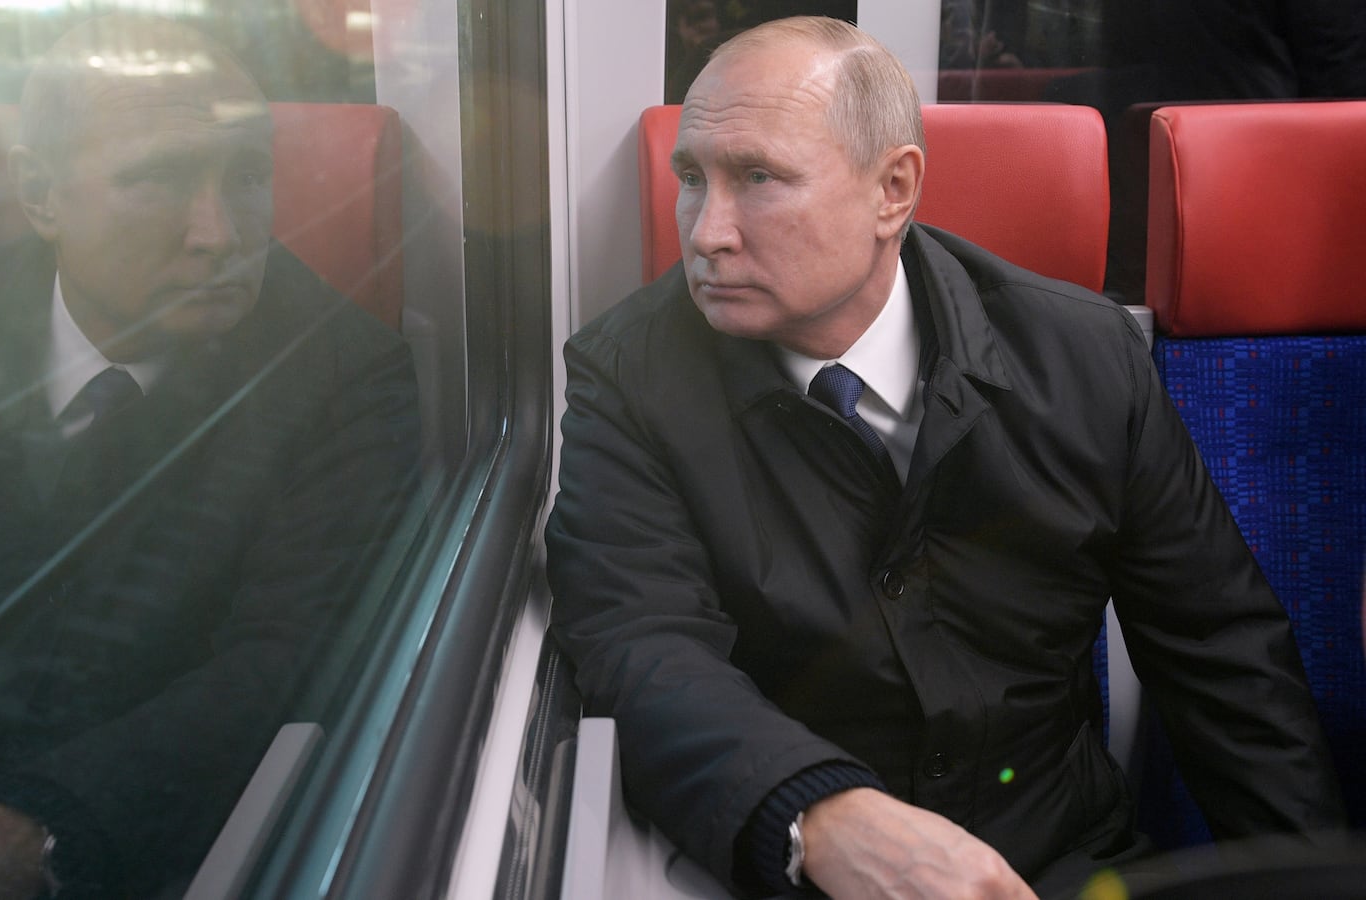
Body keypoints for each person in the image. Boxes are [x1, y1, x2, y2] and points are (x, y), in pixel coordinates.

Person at [546, 16, 1343, 900]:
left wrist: (1305, 881)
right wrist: (817, 814)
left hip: (1059, 866)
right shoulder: (629, 377)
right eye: (692, 179)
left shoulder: (1082, 358)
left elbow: (1218, 649)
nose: (706, 233)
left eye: (758, 178)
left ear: (893, 189)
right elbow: (643, 644)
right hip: (796, 870)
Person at [0, 15, 419, 899]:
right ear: (41, 196)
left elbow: (283, 667)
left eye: (248, 176)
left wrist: (32, 837)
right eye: (158, 178)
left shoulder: (345, 376)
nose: (221, 234)